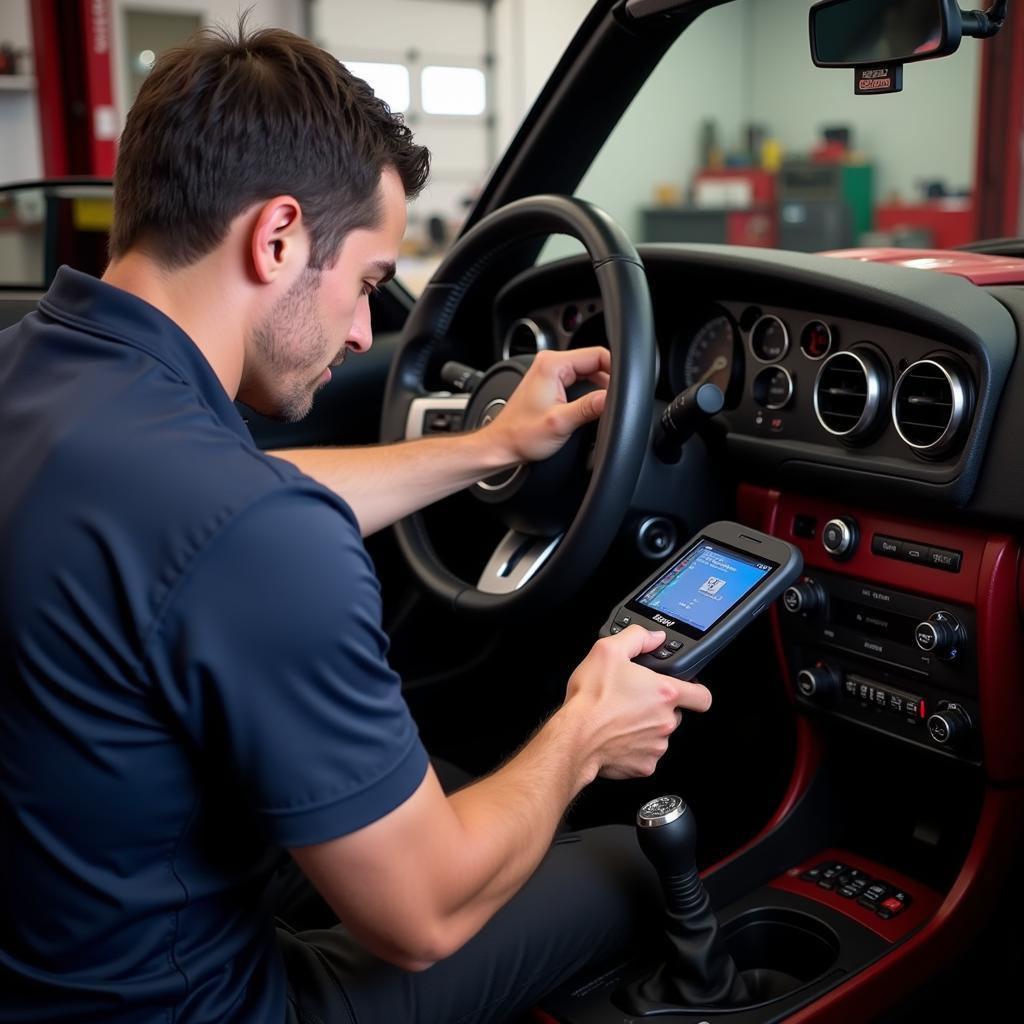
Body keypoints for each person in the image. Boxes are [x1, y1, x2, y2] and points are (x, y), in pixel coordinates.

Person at [0, 23, 712, 1024]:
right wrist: (585, 733)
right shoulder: (249, 531)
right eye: (371, 283)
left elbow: (241, 500)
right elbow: (421, 914)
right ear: (278, 234)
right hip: (194, 1007)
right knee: (624, 855)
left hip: (51, 944)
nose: (362, 332)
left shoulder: (42, 377)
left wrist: (490, 447)